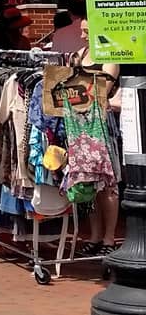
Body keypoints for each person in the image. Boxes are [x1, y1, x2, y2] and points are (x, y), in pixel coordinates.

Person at [73, 19, 123, 257]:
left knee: (108, 184)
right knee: (89, 183)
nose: (82, 36)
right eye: (82, 31)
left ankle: (109, 236)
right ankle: (94, 234)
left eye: (86, 32)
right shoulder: (79, 54)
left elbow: (102, 89)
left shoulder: (110, 56)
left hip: (102, 125)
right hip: (81, 125)